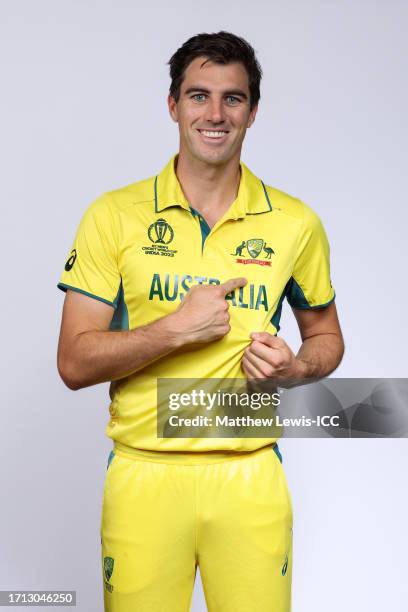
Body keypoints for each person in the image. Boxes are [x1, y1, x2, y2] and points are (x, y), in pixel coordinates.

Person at [57, 31, 344, 612]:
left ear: (253, 111)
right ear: (173, 105)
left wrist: (294, 371)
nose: (215, 114)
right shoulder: (114, 215)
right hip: (145, 476)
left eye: (232, 99)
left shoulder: (295, 222)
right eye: (198, 96)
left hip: (249, 475)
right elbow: (72, 363)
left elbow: (327, 339)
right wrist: (176, 330)